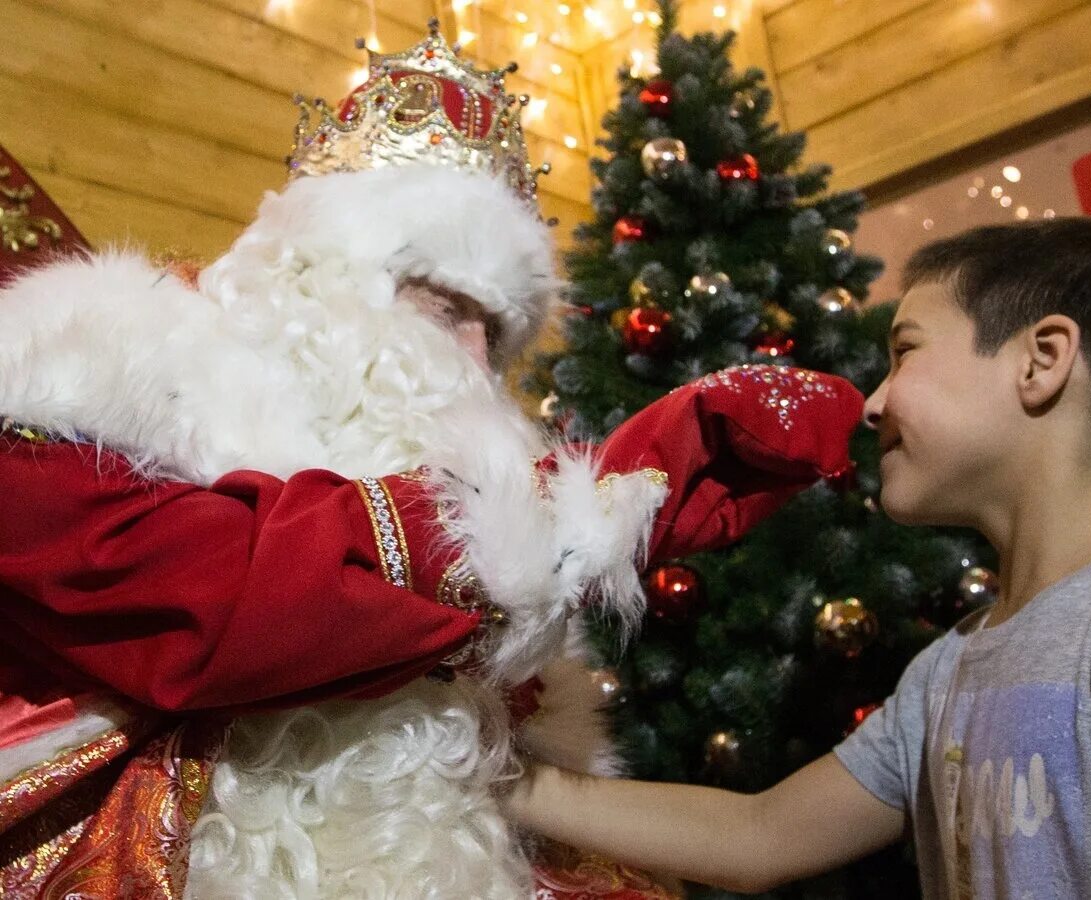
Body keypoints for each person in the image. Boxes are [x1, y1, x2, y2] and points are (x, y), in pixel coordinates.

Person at [0, 21, 864, 899]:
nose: (478, 367)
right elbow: (221, 603)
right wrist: (570, 508)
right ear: (320, 271)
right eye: (446, 306)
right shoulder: (97, 373)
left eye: (502, 337)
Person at [503, 217, 1091, 898]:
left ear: (1042, 361)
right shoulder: (948, 668)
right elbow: (761, 836)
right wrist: (496, 777)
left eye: (906, 351)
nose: (873, 404)